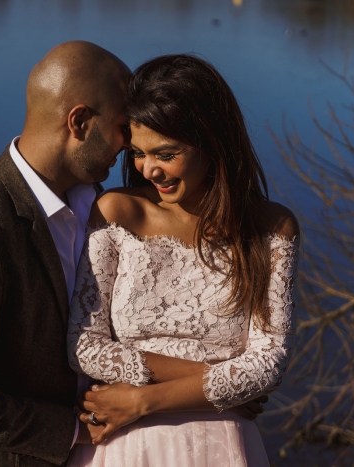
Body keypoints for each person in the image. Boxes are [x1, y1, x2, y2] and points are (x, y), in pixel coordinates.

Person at [66, 54, 300, 466]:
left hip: (221, 444)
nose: (149, 169)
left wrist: (143, 401)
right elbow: (84, 346)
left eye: (166, 153)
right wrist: (226, 381)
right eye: (138, 153)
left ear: (212, 141)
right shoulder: (117, 211)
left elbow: (268, 364)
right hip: (127, 446)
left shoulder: (272, 229)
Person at [0, 41, 132, 466]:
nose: (128, 145)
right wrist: (74, 430)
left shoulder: (104, 206)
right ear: (80, 122)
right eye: (123, 127)